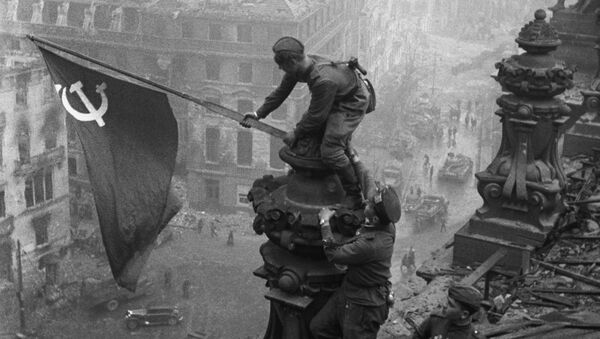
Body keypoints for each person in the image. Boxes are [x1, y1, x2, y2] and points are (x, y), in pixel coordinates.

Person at [240, 37, 370, 209]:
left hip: (350, 103)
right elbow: (281, 92)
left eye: (282, 65)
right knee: (312, 136)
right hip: (335, 95)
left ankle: (353, 193)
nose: (280, 69)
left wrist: (296, 132)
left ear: (293, 61)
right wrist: (258, 113)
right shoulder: (302, 66)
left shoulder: (323, 80)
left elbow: (316, 116)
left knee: (331, 149)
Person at [310, 184, 401, 339]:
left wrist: (324, 221)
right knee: (318, 327)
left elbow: (332, 253)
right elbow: (367, 180)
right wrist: (355, 159)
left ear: (375, 218)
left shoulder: (370, 245)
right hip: (350, 290)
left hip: (363, 305)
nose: (366, 203)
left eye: (370, 205)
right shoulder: (387, 225)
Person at [412, 284, 485, 339]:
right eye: (447, 300)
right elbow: (418, 336)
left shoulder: (472, 336)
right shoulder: (436, 319)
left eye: (450, 304)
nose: (444, 305)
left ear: (464, 314)